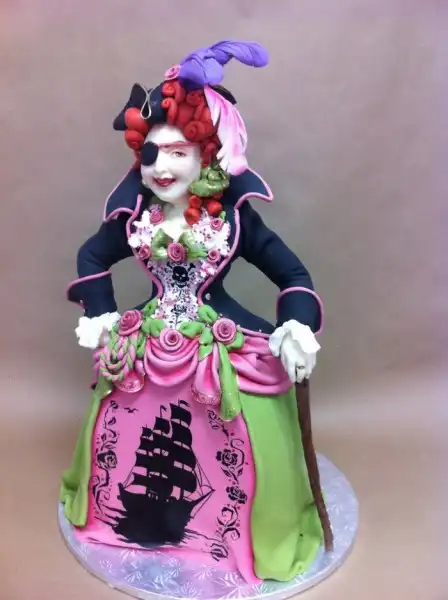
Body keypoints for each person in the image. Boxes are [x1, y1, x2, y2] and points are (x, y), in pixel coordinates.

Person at [60, 40, 332, 584]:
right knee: (118, 429)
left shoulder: (233, 220)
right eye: (151, 154)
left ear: (207, 155)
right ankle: (131, 519)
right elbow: (92, 256)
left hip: (220, 352)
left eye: (178, 152)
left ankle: (239, 532)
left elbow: (294, 275)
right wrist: (103, 316)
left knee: (250, 441)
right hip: (145, 345)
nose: (161, 167)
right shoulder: (137, 220)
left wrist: (296, 327)